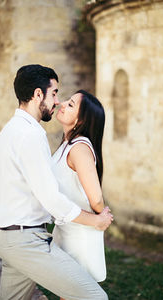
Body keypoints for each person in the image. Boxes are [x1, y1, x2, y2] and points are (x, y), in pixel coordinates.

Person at [0, 64, 113, 300]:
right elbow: (52, 199)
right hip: (26, 242)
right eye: (54, 93)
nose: (57, 101)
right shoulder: (31, 135)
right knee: (96, 298)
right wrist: (96, 220)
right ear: (38, 94)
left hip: (10, 237)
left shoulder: (12, 129)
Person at [52, 90, 107, 292]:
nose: (63, 104)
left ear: (82, 120)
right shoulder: (67, 144)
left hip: (80, 237)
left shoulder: (80, 148)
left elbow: (96, 197)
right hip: (66, 231)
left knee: (76, 294)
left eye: (71, 104)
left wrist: (102, 214)